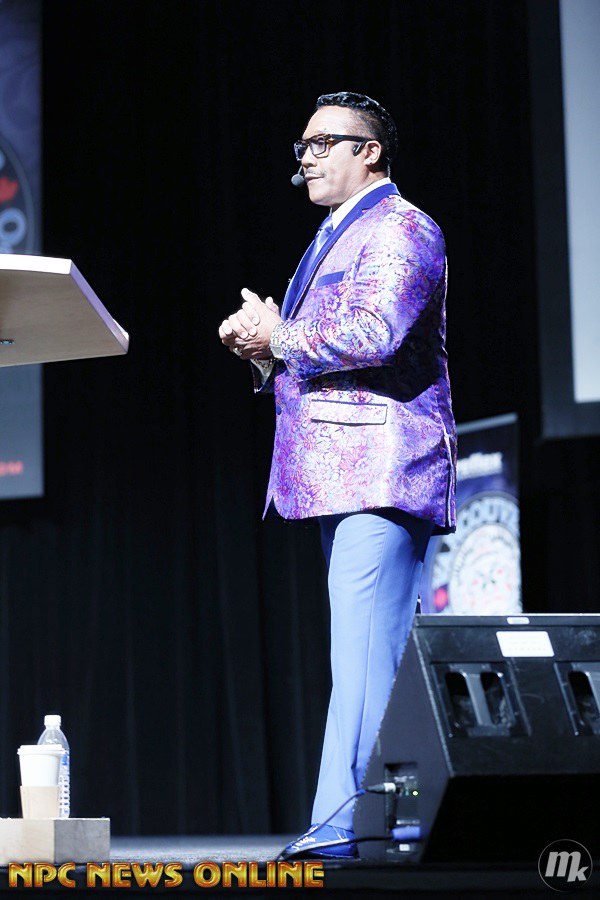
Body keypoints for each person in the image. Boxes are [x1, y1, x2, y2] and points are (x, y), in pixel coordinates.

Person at [218, 92, 456, 859]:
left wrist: (277, 332)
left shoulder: (401, 227)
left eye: (324, 143)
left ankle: (343, 826)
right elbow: (317, 345)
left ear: (370, 151)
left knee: (360, 654)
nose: (307, 158)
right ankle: (382, 822)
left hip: (382, 466)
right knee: (366, 654)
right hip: (345, 471)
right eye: (303, 145)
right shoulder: (336, 233)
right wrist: (263, 350)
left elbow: (374, 332)